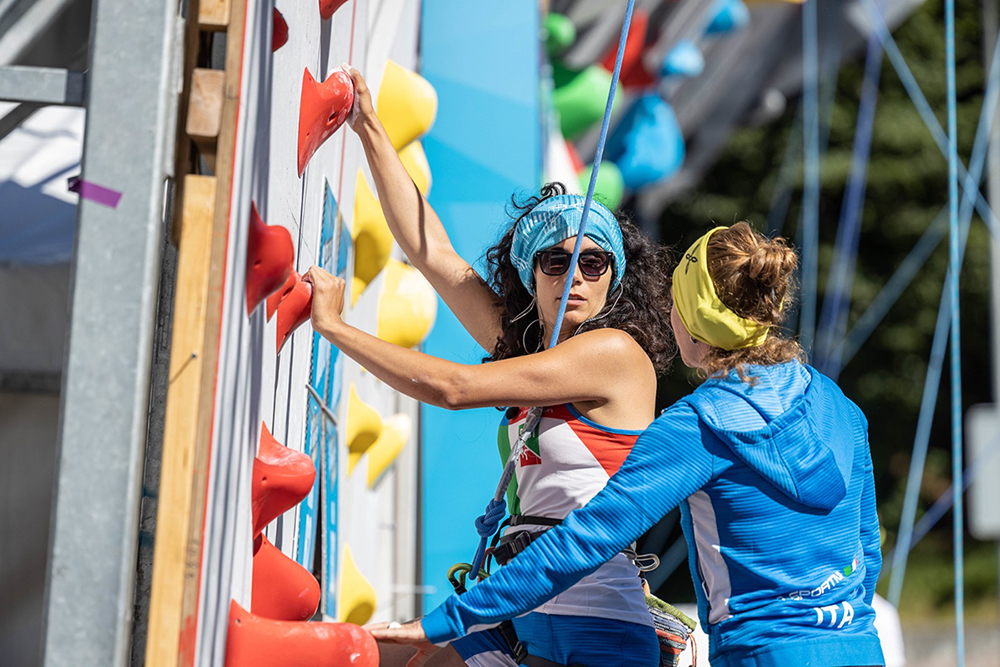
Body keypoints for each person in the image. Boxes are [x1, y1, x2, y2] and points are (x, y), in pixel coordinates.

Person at [372, 223, 886, 667]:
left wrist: (451, 619)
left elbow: (585, 541)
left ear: (688, 316)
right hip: (859, 647)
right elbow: (866, 552)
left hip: (761, 652)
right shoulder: (842, 408)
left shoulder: (700, 425)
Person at [305, 68, 675, 667]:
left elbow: (454, 388)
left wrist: (336, 328)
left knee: (384, 653)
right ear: (532, 272)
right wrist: (367, 124)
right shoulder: (529, 349)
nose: (574, 276)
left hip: (596, 625)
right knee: (386, 659)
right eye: (556, 261)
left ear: (615, 278)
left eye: (593, 262)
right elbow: (433, 254)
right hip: (524, 600)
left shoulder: (613, 355)